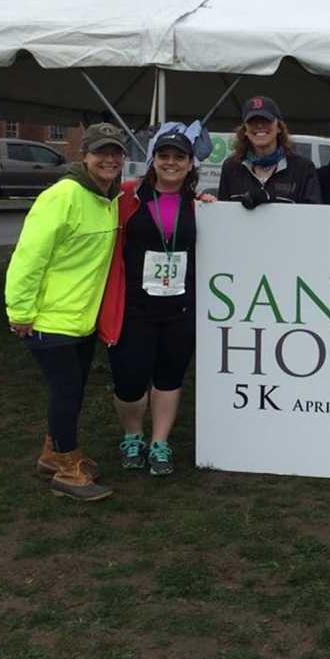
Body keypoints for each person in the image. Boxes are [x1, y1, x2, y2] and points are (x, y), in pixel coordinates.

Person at [5, 123, 126, 501]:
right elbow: (28, 257)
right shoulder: (63, 196)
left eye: (115, 153)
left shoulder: (109, 198)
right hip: (50, 319)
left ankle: (53, 455)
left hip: (81, 320)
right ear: (83, 155)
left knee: (71, 392)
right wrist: (20, 310)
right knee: (66, 391)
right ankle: (67, 470)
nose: (109, 160)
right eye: (100, 153)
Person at [98, 130, 208, 476]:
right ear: (153, 160)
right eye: (164, 156)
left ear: (190, 163)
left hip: (180, 308)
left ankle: (160, 441)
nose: (171, 163)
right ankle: (133, 435)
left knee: (169, 379)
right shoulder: (128, 196)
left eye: (179, 157)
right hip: (134, 307)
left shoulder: (199, 204)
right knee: (129, 383)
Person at [218, 95, 321, 206]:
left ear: (279, 127)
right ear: (245, 131)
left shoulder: (303, 168)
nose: (259, 125)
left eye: (266, 120)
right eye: (252, 121)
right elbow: (222, 214)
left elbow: (312, 216)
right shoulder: (231, 167)